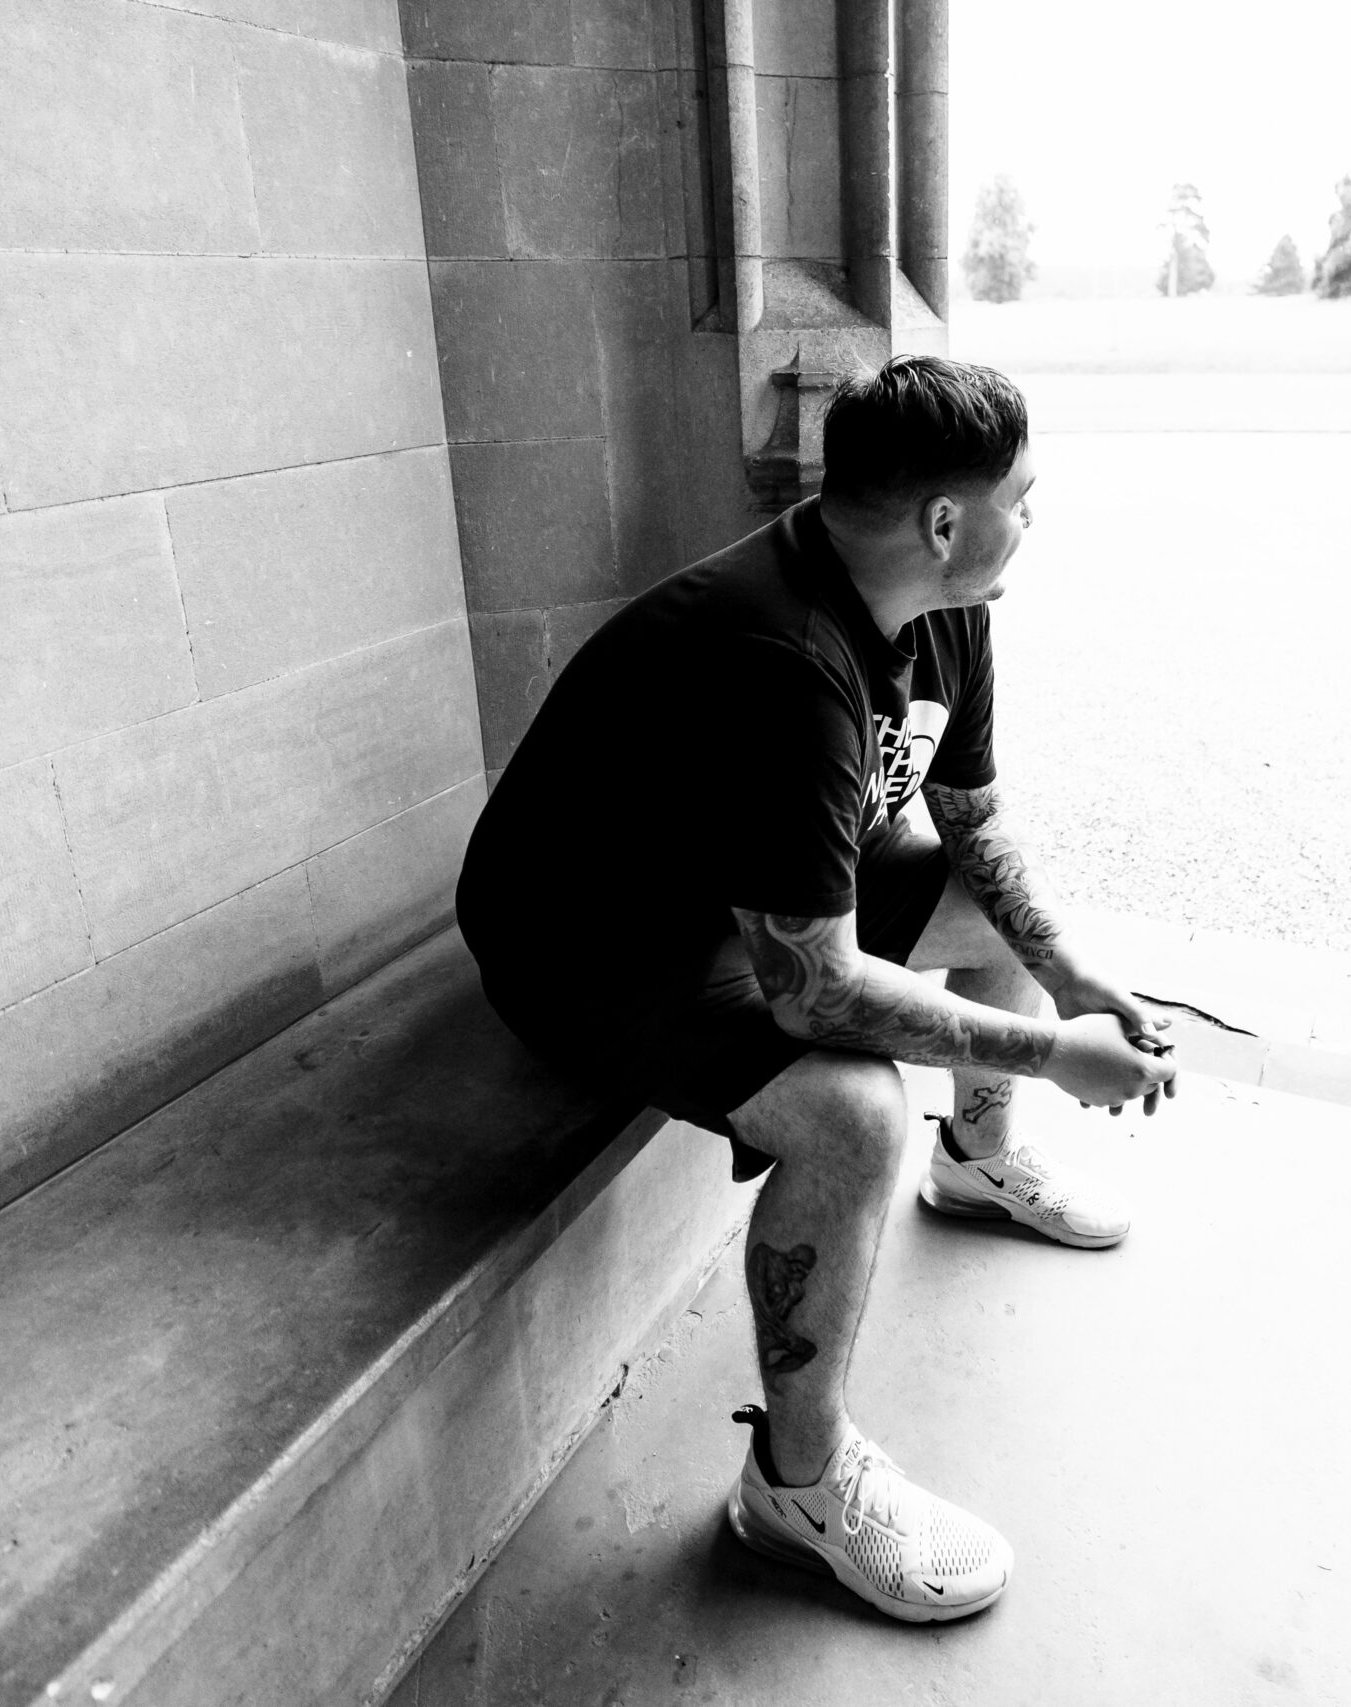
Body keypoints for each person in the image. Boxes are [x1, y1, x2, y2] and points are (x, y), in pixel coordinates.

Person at [455, 355, 1177, 1624]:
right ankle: (795, 1484)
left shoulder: (953, 602)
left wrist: (1063, 974)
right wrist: (1050, 1051)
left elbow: (967, 818)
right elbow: (817, 996)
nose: (1036, 518)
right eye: (1025, 494)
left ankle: (980, 1159)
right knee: (851, 1118)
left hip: (754, 893)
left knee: (977, 898)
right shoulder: (777, 659)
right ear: (944, 522)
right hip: (594, 936)